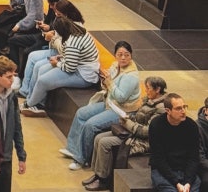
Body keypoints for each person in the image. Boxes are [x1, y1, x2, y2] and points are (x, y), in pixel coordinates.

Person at [63, 40, 140, 170]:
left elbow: (121, 97)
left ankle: (81, 159)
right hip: (109, 103)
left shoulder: (131, 76)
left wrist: (109, 83)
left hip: (121, 111)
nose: (123, 58)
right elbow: (107, 85)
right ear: (115, 55)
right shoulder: (115, 66)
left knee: (91, 125)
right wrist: (104, 80)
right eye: (120, 54)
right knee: (81, 113)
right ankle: (72, 148)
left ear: (131, 55)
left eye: (126, 54)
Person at [82, 74, 167, 191]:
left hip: (142, 141)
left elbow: (147, 132)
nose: (146, 91)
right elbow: (139, 118)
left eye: (148, 88)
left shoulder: (161, 108)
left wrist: (127, 123)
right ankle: (97, 173)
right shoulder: (149, 100)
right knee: (98, 137)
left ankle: (103, 179)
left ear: (157, 90)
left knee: (104, 143)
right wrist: (128, 118)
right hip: (132, 132)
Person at [21, 14, 100, 114]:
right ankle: (39, 104)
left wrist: (57, 63)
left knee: (43, 81)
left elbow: (70, 68)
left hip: (83, 75)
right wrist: (61, 57)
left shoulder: (72, 42)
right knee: (41, 69)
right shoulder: (79, 30)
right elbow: (75, 56)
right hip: (77, 66)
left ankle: (29, 104)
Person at [0, 57, 27, 192]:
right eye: (8, 77)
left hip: (6, 156)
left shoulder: (12, 96)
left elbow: (17, 127)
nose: (12, 80)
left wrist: (21, 156)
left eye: (13, 76)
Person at [147, 94, 201, 192]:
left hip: (184, 170)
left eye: (184, 107)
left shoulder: (191, 126)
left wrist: (188, 182)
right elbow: (159, 159)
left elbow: (194, 157)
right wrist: (177, 183)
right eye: (178, 108)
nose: (183, 111)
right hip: (163, 171)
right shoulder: (156, 125)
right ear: (168, 111)